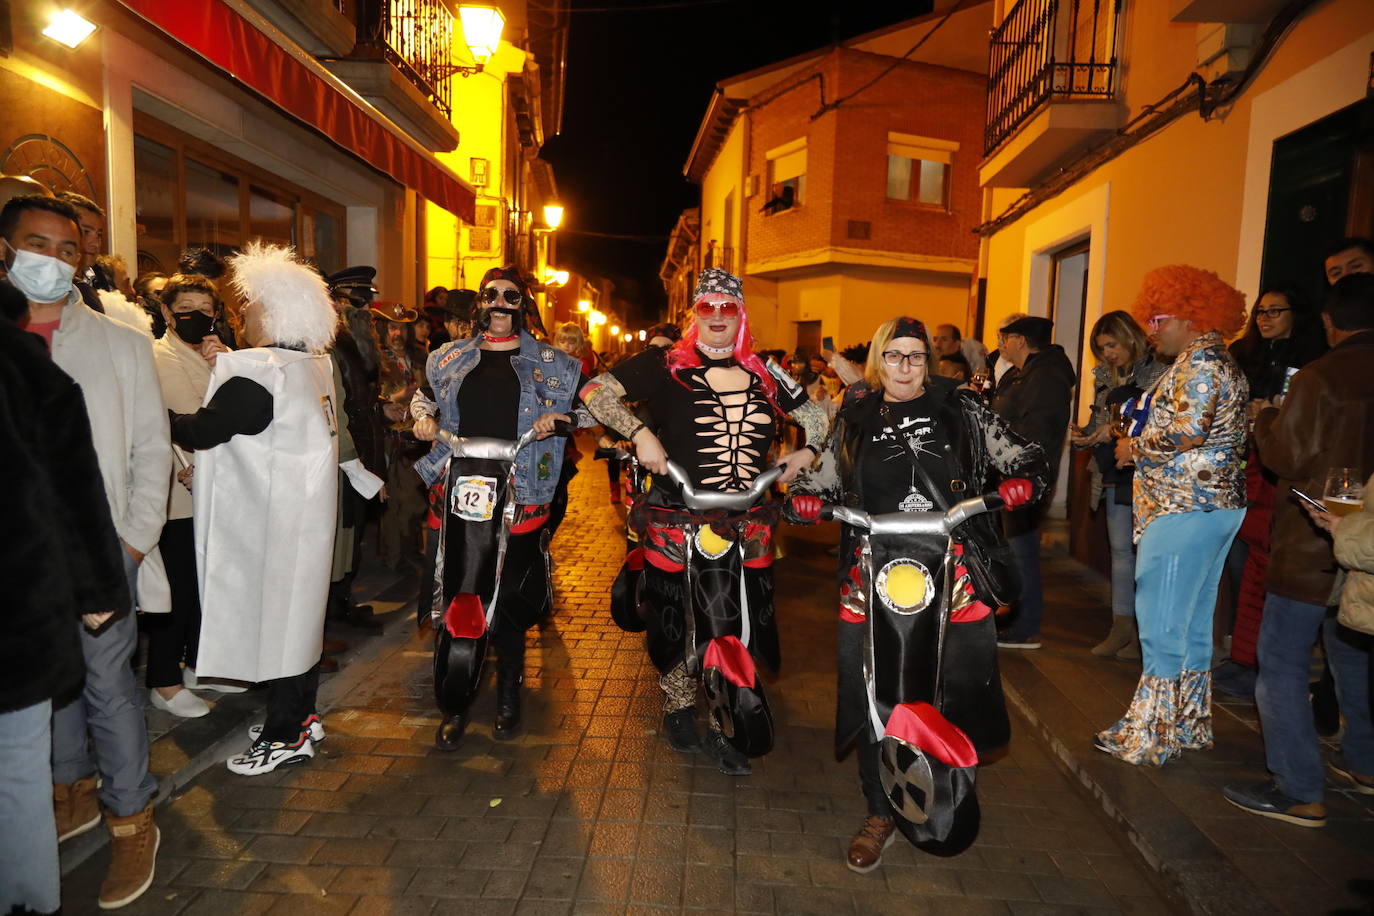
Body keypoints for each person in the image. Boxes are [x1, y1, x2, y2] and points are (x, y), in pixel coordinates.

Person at [785, 315, 1047, 872]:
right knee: (871, 692)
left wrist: (1019, 481)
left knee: (956, 684)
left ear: (928, 361)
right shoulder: (853, 415)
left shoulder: (963, 408)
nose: (906, 367)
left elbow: (1024, 456)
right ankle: (881, 810)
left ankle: (951, 787)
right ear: (878, 359)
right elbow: (822, 479)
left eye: (917, 356)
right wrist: (805, 498)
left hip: (952, 568)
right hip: (873, 566)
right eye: (895, 355)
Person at [580, 268, 829, 775]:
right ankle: (675, 703)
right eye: (707, 307)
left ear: (741, 315)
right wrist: (639, 434)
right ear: (695, 313)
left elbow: (819, 418)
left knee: (741, 615)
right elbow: (593, 393)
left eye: (728, 307)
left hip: (749, 517)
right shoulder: (664, 363)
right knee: (672, 614)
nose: (717, 316)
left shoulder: (764, 370)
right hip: (677, 513)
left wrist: (809, 452)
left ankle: (727, 715)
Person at [3, 193, 169, 909]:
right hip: (15, 566)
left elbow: (151, 455)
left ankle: (131, 818)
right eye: (40, 245)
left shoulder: (121, 345)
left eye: (70, 250)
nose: (55, 261)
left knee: (107, 688)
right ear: (6, 249)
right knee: (46, 692)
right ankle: (69, 790)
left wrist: (128, 551)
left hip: (99, 555)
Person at [171, 242, 357, 775]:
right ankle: (300, 717)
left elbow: (208, 428)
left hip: (271, 526)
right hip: (302, 522)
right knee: (297, 626)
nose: (240, 315)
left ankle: (284, 733)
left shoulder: (259, 372)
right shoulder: (311, 364)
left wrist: (159, 416)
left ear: (274, 313)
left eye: (248, 307)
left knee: (280, 629)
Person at [411, 265, 585, 751]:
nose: (502, 304)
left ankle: (509, 689)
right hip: (459, 486)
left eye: (512, 296)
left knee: (507, 597)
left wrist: (564, 417)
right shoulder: (447, 358)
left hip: (522, 488)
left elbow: (590, 406)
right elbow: (423, 401)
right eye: (493, 296)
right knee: (458, 586)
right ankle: (456, 699)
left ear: (524, 305)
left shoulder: (554, 363)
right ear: (479, 305)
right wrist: (423, 419)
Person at [1222, 273, 1374, 825]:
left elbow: (1287, 454)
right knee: (1350, 655)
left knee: (1282, 662)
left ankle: (1297, 788)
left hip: (1313, 540)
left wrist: (1265, 417)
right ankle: (1364, 764)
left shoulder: (1320, 376)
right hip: (1365, 540)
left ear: (1330, 323)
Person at [0, 281, 131, 916]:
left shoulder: (26, 368)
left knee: (19, 767)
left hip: (18, 610)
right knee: (18, 772)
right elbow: (74, 487)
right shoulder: (27, 364)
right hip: (18, 609)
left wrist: (106, 579)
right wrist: (99, 582)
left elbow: (74, 484)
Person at [1094, 265, 1248, 766]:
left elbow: (1188, 431)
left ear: (1191, 315)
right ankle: (1186, 722)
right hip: (1210, 507)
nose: (1152, 329)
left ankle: (1152, 732)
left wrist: (1132, 447)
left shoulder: (1202, 366)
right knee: (1192, 624)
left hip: (1183, 506)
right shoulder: (1215, 362)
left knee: (1161, 623)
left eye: (1159, 318)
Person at [1217, 288, 1328, 697]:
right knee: (1239, 564)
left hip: (1279, 473)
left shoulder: (1313, 361)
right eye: (1260, 312)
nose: (1265, 319)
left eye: (1275, 311)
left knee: (1264, 567)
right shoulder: (1243, 355)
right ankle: (1241, 655)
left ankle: (1258, 660)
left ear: (1296, 315)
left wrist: (1269, 413)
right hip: (1243, 464)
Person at [147, 274, 238, 718]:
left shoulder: (215, 353)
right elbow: (195, 419)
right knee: (179, 586)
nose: (198, 318)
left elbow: (239, 408)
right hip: (177, 491)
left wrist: (226, 364)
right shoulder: (161, 356)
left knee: (206, 583)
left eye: (207, 309)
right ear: (166, 313)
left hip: (215, 486)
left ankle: (198, 664)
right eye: (187, 309)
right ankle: (163, 679)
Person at [1070, 310, 1167, 658]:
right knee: (1121, 554)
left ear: (1129, 337)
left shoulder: (1158, 371)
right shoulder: (1104, 376)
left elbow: (1157, 423)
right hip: (1113, 469)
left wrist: (1108, 432)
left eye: (1111, 345)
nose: (1108, 353)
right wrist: (1087, 435)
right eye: (1101, 348)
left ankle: (1144, 634)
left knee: (1147, 555)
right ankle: (1121, 626)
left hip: (1147, 471)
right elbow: (1102, 422)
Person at [990, 315, 1076, 649]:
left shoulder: (1046, 375)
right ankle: (1016, 616)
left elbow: (1035, 429)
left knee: (1021, 550)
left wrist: (1011, 460)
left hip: (1025, 476)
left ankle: (1026, 626)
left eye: (1006, 337)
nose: (1002, 344)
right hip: (1012, 472)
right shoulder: (1023, 373)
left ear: (1020, 341)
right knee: (1014, 549)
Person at [324, 266, 386, 631]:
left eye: (367, 300)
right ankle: (333, 608)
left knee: (355, 527)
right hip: (347, 450)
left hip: (364, 440)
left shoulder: (355, 339)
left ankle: (343, 599)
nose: (365, 308)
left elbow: (358, 389)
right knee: (341, 531)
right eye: (356, 301)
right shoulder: (330, 341)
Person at [373, 300, 429, 571]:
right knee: (395, 504)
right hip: (390, 438)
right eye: (393, 328)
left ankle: (410, 552)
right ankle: (394, 559)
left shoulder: (420, 357)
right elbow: (374, 398)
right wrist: (400, 396)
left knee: (415, 502)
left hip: (416, 439)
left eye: (402, 329)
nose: (397, 334)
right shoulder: (376, 358)